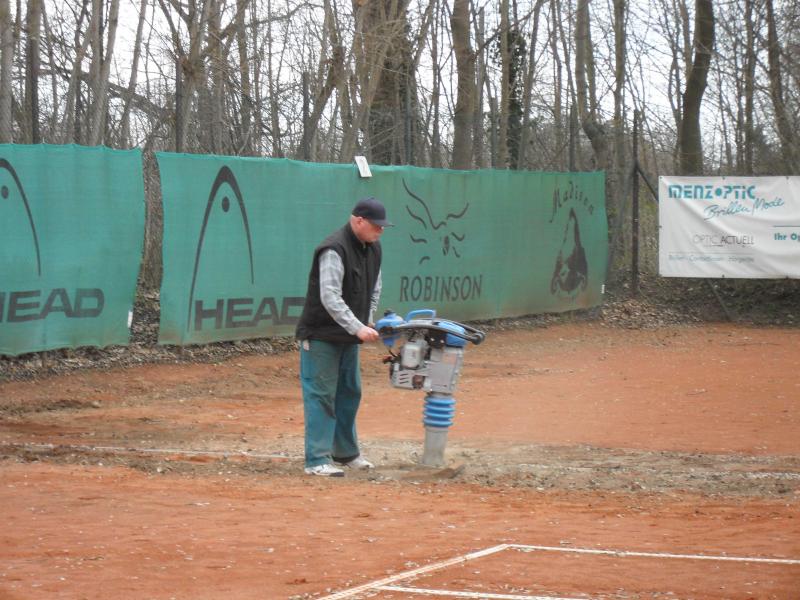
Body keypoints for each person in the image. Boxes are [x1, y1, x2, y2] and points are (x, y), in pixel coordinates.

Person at [295, 197, 393, 476]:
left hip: (348, 336)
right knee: (321, 395)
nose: (381, 231)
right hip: (321, 335)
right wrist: (357, 327)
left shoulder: (373, 248)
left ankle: (346, 453)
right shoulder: (334, 249)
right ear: (359, 221)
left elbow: (375, 287)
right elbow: (330, 296)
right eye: (376, 225)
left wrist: (368, 318)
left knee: (349, 392)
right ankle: (317, 460)